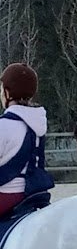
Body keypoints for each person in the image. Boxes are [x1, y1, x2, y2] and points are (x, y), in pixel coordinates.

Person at [0, 62, 53, 217]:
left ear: (8, 93)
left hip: (8, 194)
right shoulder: (37, 122)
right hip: (36, 193)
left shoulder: (4, 125)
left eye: (2, 90)